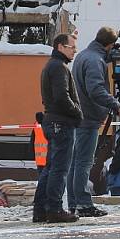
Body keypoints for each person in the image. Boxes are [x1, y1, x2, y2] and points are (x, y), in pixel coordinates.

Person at [67, 26, 120, 217]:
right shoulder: (95, 61)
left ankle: (74, 202)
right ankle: (84, 204)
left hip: (79, 116)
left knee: (76, 162)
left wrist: (111, 55)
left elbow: (97, 63)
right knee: (84, 163)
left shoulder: (86, 56)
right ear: (109, 45)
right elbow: (95, 89)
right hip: (88, 118)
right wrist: (116, 106)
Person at [32, 33, 82, 223]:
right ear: (60, 47)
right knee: (59, 169)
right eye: (72, 47)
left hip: (52, 122)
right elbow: (62, 96)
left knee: (50, 168)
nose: (74, 51)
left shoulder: (51, 66)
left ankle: (41, 210)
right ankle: (54, 209)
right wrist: (78, 112)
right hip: (61, 123)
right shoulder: (59, 67)